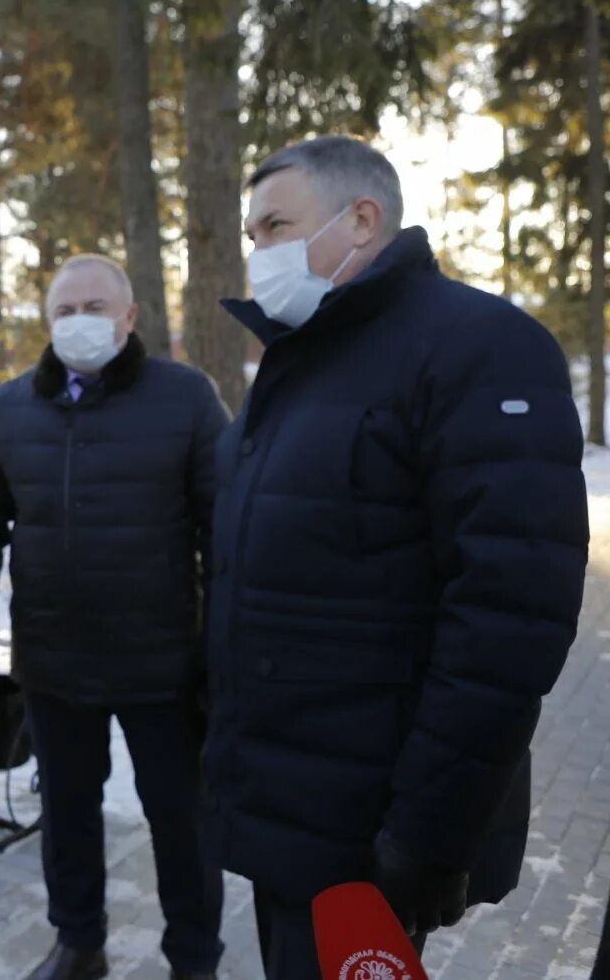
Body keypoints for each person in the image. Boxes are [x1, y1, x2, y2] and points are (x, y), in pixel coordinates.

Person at [202, 136, 588, 979]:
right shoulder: (300, 362)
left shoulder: (478, 345)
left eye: (275, 225)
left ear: (362, 219)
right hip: (286, 810)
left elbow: (509, 616)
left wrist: (431, 827)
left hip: (374, 828)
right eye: (252, 231)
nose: (259, 252)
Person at [0, 256, 228, 980]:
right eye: (66, 310)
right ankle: (79, 941)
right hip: (55, 663)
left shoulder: (186, 397)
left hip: (163, 663)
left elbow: (225, 528)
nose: (81, 322)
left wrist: (219, 647)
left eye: (96, 306)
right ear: (48, 324)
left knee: (181, 820)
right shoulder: (12, 407)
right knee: (68, 816)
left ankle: (194, 956)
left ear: (131, 315)